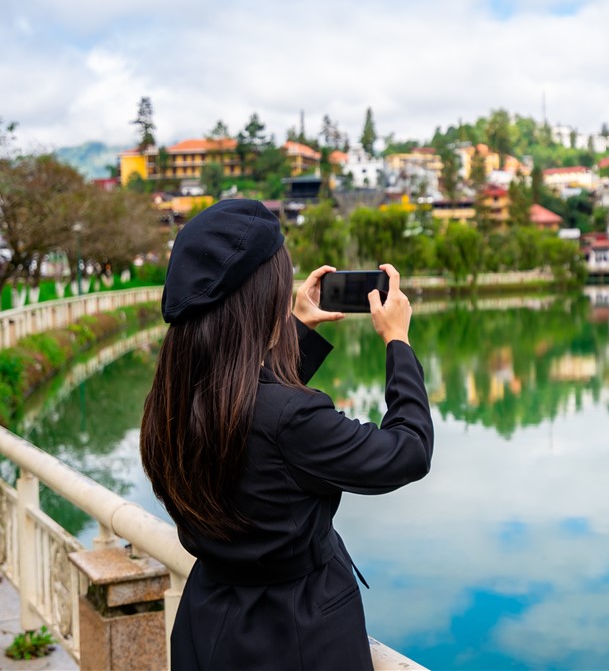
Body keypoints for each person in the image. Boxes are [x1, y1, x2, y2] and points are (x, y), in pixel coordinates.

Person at [140, 198, 434, 671]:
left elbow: (248, 418)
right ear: (264, 297)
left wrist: (298, 331)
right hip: (297, 635)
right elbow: (407, 452)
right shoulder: (292, 418)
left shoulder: (171, 400)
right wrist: (397, 342)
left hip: (208, 624)